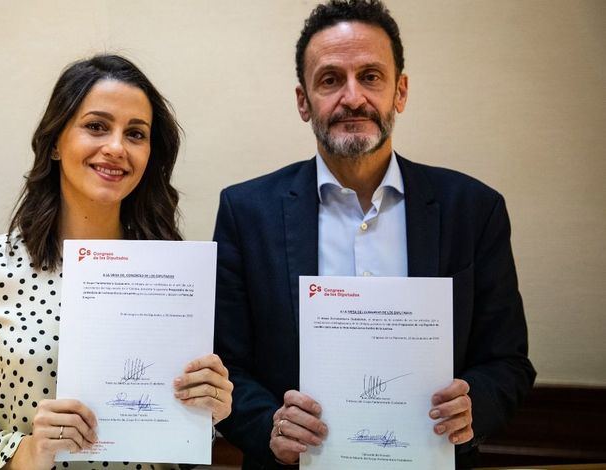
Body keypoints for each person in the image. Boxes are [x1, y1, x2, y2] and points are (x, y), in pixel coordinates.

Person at [212, 1, 536, 468]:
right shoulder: (246, 212)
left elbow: (509, 362)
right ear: (303, 101)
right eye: (329, 80)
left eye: (370, 76)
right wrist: (270, 426)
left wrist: (473, 408)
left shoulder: (474, 210)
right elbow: (226, 366)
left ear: (399, 92)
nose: (352, 97)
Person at [0, 54, 234, 470]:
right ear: (55, 141)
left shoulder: (173, 274)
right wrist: (28, 452)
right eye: (96, 126)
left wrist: (209, 413)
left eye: (136, 134)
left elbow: (178, 443)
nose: (116, 148)